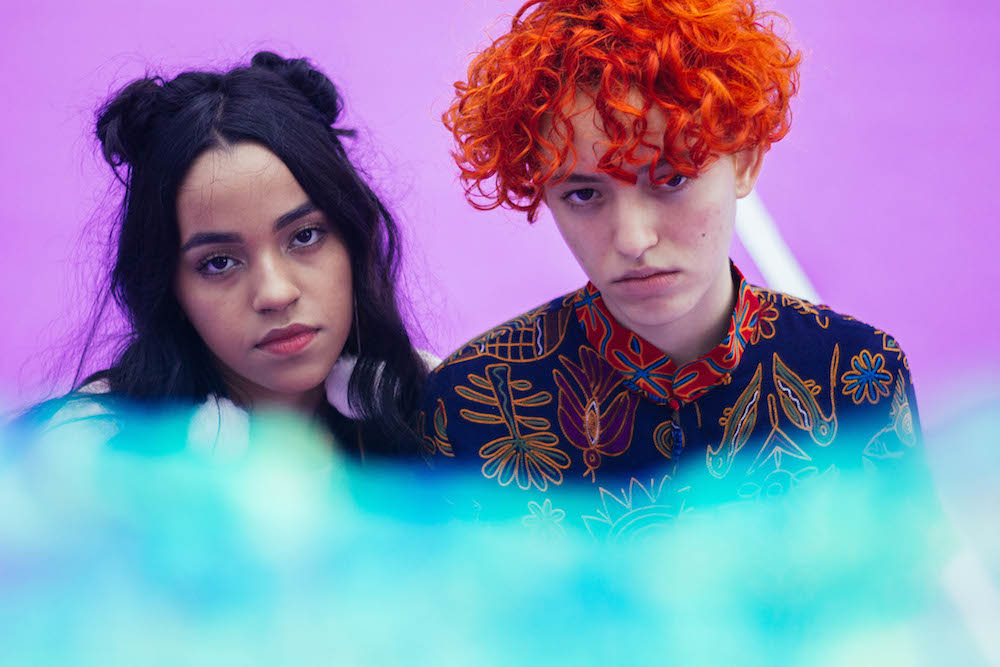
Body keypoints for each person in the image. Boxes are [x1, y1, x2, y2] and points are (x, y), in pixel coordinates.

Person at [421, 0, 922, 536]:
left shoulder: (857, 374)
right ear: (544, 191)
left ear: (745, 161)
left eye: (672, 178)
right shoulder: (471, 404)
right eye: (584, 194)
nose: (633, 240)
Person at [25, 52, 432, 458]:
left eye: (305, 236)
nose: (275, 294)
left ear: (356, 239)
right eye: (219, 262)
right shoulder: (88, 453)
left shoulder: (447, 408)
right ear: (169, 288)